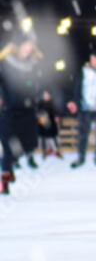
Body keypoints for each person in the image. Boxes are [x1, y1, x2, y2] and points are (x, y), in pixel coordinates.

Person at [1, 36, 45, 193]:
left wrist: (39, 93)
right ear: (18, 45)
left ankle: (11, 163)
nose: (28, 49)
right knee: (7, 145)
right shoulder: (5, 62)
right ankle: (4, 180)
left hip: (27, 109)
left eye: (30, 46)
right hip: (8, 109)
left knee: (26, 145)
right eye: (25, 45)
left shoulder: (34, 65)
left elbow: (39, 84)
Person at [67, 53, 96, 167]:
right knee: (83, 134)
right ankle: (81, 156)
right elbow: (78, 87)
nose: (94, 62)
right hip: (85, 107)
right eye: (92, 59)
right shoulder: (84, 71)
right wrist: (76, 102)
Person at [37, 92, 64, 160]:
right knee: (43, 137)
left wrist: (57, 117)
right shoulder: (40, 103)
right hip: (43, 121)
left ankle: (56, 151)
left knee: (53, 136)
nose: (46, 96)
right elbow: (37, 112)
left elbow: (56, 111)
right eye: (45, 95)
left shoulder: (53, 103)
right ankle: (44, 151)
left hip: (51, 122)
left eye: (47, 95)